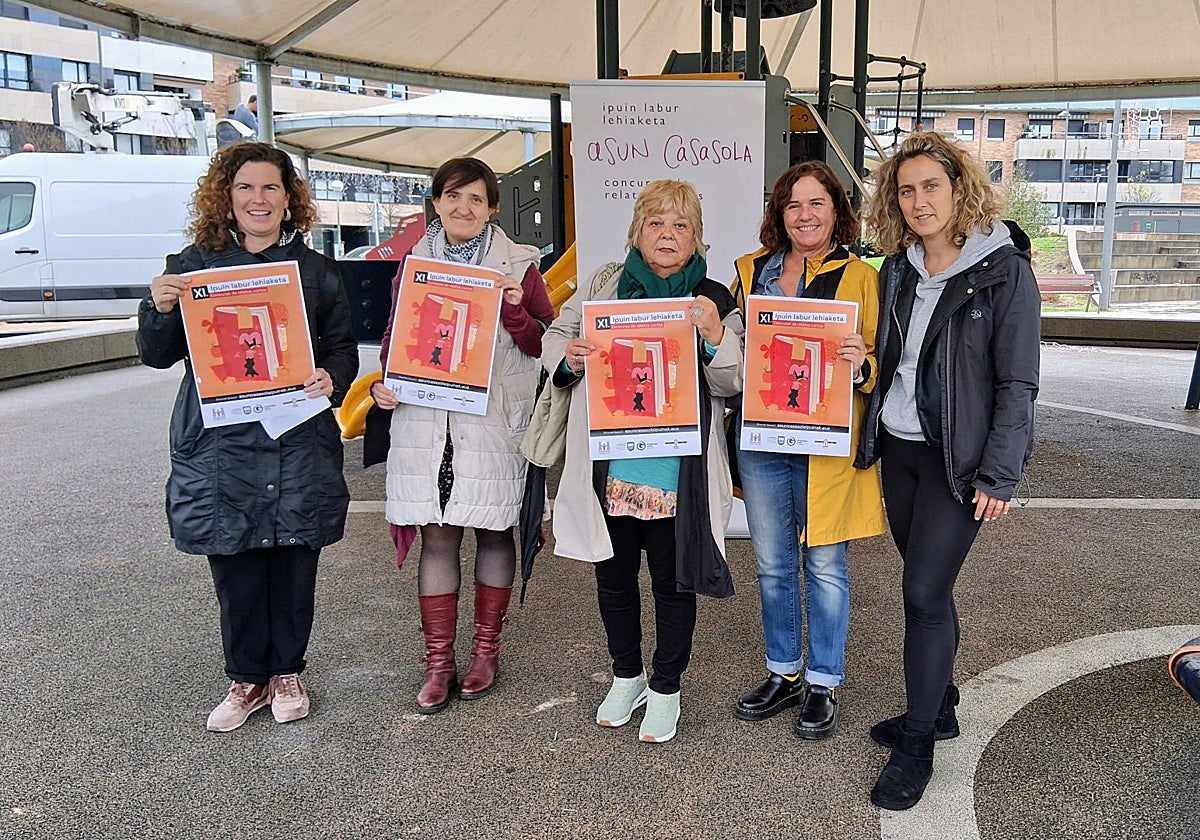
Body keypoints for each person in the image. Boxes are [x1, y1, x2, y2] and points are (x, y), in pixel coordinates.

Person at [136, 142, 357, 732]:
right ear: (226, 200)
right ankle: (246, 679)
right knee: (233, 563)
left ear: (289, 202)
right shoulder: (190, 267)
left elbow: (341, 349)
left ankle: (286, 670)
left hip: (297, 437)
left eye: (271, 189)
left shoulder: (317, 273)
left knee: (293, 559)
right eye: (245, 189)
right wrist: (158, 308)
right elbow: (157, 354)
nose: (258, 200)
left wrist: (331, 377)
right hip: (219, 448)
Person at [859, 131, 1040, 809]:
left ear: (959, 189)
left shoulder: (1004, 269)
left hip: (954, 462)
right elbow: (890, 359)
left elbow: (1017, 381)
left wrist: (1001, 472)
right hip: (899, 452)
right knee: (927, 591)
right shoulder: (896, 269)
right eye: (906, 190)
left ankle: (917, 745)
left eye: (931, 186)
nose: (918, 201)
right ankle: (940, 704)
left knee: (922, 595)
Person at [542, 179, 744, 744]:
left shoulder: (713, 298)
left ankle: (666, 687)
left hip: (677, 473)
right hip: (613, 468)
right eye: (656, 223)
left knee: (672, 584)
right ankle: (626, 674)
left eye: (681, 225)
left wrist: (712, 338)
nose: (667, 234)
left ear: (698, 239)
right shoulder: (604, 287)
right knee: (614, 579)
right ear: (637, 231)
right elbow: (553, 343)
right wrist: (570, 356)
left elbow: (734, 380)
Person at [371, 157, 554, 714]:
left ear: (493, 207)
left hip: (492, 422)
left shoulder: (519, 266)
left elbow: (542, 344)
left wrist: (518, 312)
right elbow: (395, 336)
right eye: (452, 197)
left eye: (476, 199)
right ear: (435, 203)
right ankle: (437, 662)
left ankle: (485, 652)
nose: (463, 208)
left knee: (496, 532)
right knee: (439, 535)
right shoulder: (415, 264)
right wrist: (387, 382)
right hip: (428, 423)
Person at [730, 161, 885, 738]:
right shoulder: (749, 272)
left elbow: (878, 364)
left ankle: (823, 680)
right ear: (780, 213)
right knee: (772, 566)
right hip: (765, 436)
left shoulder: (860, 277)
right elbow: (733, 355)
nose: (805, 215)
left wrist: (859, 364)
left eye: (817, 203)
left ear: (836, 210)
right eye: (794, 204)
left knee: (824, 566)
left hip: (828, 443)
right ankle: (783, 671)